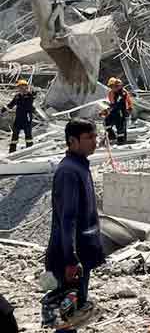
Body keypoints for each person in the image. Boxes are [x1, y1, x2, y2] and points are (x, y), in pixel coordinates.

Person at [46, 118, 104, 332]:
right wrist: (70, 259)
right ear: (72, 141)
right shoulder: (69, 172)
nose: (95, 141)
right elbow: (67, 218)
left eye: (95, 136)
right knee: (67, 318)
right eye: (89, 137)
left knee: (73, 315)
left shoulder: (79, 167)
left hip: (79, 256)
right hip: (69, 259)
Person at [3, 79, 36, 153]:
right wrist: (2, 110)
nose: (21, 88)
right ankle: (12, 151)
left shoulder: (30, 95)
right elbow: (10, 105)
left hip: (26, 117)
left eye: (23, 87)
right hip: (18, 118)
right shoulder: (17, 96)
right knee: (15, 135)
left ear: (26, 87)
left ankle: (29, 150)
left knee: (28, 135)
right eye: (20, 87)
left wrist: (30, 92)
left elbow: (33, 97)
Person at [101, 77, 132, 145]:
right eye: (111, 86)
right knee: (107, 123)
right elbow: (112, 104)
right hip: (114, 111)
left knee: (121, 127)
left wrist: (129, 109)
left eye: (115, 86)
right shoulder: (111, 93)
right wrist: (107, 110)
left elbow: (128, 101)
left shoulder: (123, 93)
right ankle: (112, 136)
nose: (113, 88)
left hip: (121, 112)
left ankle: (121, 142)